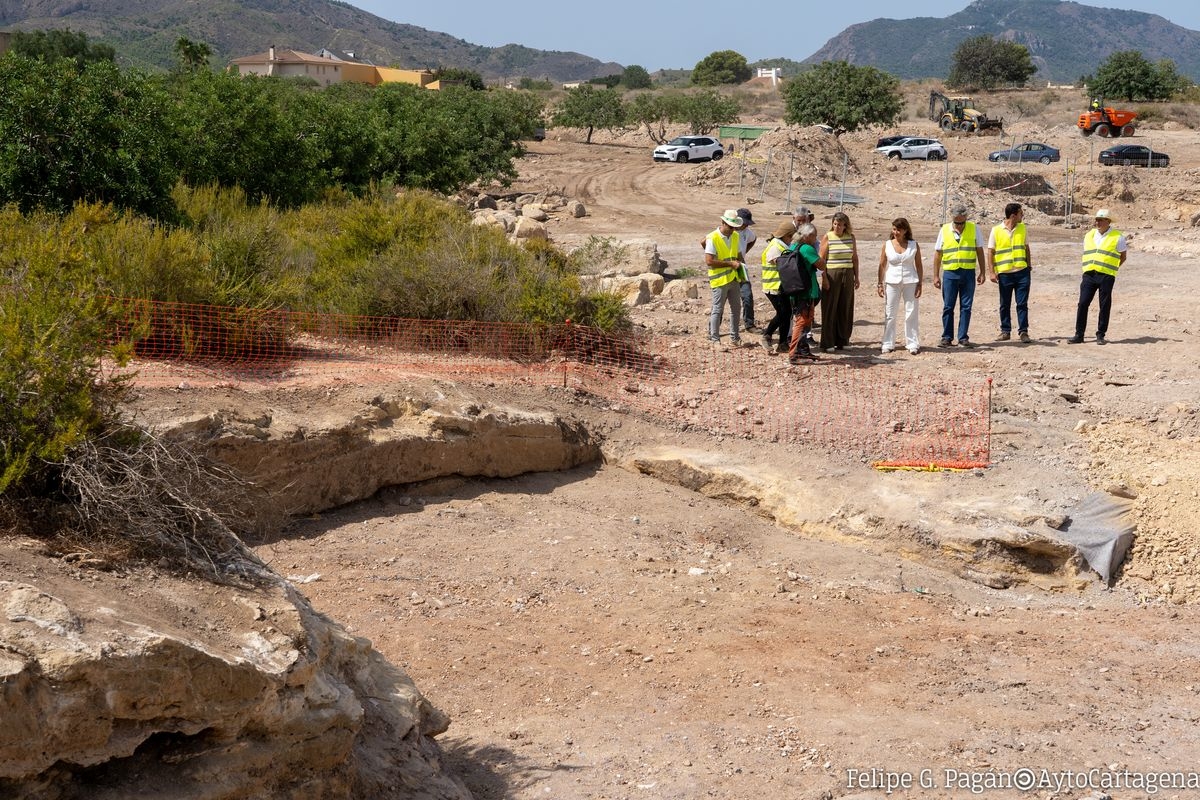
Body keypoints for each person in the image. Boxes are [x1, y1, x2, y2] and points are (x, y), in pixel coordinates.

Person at [1069, 208, 1128, 345]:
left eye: (1101, 220)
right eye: (1097, 219)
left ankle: (1100, 335)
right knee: (1083, 303)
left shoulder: (1117, 237)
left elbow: (1123, 256)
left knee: (1104, 305)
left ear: (1108, 221)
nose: (1098, 222)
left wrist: (1112, 268)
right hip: (1089, 274)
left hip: (1106, 276)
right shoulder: (1089, 235)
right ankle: (1079, 334)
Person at [932, 205, 986, 348]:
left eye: (962, 223)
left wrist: (983, 271)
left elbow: (979, 250)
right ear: (952, 219)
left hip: (968, 273)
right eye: (957, 222)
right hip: (950, 273)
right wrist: (936, 276)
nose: (959, 226)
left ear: (966, 218)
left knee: (966, 307)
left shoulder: (974, 229)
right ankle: (947, 337)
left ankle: (963, 337)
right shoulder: (944, 230)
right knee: (948, 307)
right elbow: (938, 254)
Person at [987, 202, 1033, 343]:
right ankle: (1005, 331)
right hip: (1005, 273)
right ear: (1013, 215)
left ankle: (1023, 331)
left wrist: (1029, 266)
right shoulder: (996, 230)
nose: (1022, 216)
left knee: (1022, 303)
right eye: (1021, 213)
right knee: (1004, 304)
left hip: (1022, 272)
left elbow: (1026, 248)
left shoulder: (1022, 228)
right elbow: (990, 252)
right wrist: (992, 272)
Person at [877, 217, 923, 355]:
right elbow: (882, 264)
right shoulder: (887, 244)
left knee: (911, 312)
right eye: (894, 229)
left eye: (899, 229)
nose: (896, 232)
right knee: (890, 313)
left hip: (910, 281)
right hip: (892, 281)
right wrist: (880, 283)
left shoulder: (914, 245)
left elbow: (919, 264)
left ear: (905, 230)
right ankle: (888, 342)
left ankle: (912, 342)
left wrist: (920, 283)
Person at [818, 211, 859, 351]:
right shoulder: (827, 237)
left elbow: (854, 258)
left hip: (847, 273)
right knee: (830, 307)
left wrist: (856, 276)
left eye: (840, 225)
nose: (837, 227)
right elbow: (822, 259)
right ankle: (827, 342)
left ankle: (843, 339)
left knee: (845, 306)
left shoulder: (851, 237)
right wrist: (824, 278)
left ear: (845, 225)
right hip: (832, 273)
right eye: (835, 224)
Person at [705, 209, 745, 346]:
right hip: (719, 279)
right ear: (723, 222)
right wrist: (730, 264)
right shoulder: (713, 237)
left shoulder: (735, 236)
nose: (732, 229)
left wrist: (741, 268)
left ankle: (735, 338)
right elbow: (709, 261)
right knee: (717, 309)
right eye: (730, 226)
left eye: (734, 227)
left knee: (736, 309)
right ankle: (715, 339)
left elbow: (739, 255)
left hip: (733, 278)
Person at [759, 219, 797, 354]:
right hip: (774, 287)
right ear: (787, 236)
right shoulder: (776, 246)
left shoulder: (780, 245)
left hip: (780, 287)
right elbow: (782, 264)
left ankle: (781, 343)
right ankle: (768, 335)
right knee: (784, 314)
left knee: (786, 314)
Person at [787, 223, 822, 363]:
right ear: (808, 236)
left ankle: (803, 350)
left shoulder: (793, 246)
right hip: (806, 291)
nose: (816, 238)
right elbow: (821, 264)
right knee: (801, 322)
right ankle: (794, 353)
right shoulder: (807, 248)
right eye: (814, 235)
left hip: (796, 290)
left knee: (805, 321)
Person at [736, 207, 759, 331]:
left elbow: (754, 238)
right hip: (726, 266)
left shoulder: (747, 232)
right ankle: (714, 328)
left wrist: (744, 253)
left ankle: (749, 324)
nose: (745, 226)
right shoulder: (728, 231)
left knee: (747, 295)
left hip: (740, 266)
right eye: (744, 223)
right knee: (722, 298)